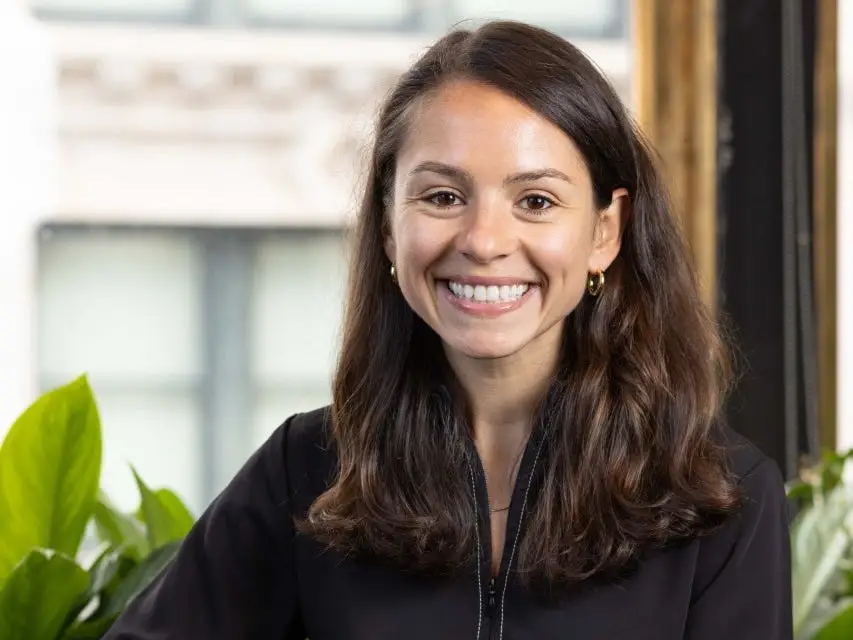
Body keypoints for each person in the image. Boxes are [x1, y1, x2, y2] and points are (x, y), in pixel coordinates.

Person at [104, 19, 792, 640]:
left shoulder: (720, 498)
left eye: (535, 201)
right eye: (441, 197)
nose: (484, 240)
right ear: (385, 223)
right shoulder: (308, 469)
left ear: (604, 232)